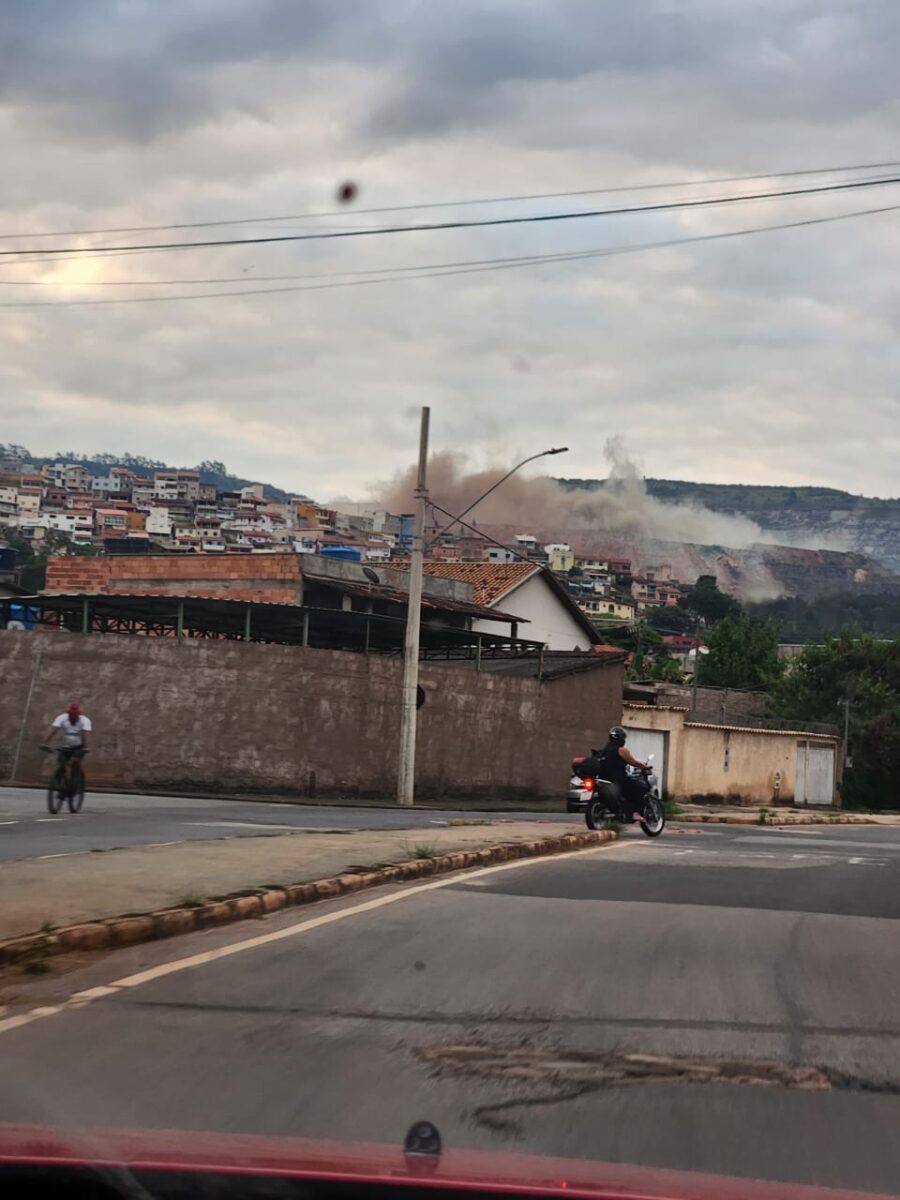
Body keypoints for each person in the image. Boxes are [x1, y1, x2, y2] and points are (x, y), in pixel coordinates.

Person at [593, 725, 649, 822]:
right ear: (621, 738)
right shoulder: (621, 750)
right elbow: (634, 762)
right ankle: (635, 813)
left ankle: (622, 810)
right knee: (641, 789)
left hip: (603, 778)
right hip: (618, 780)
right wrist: (645, 767)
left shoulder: (604, 751)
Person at [41, 701, 92, 789]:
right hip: (65, 746)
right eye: (71, 714)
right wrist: (44, 743)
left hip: (78, 746)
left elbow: (86, 733)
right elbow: (53, 731)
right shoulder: (62, 718)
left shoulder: (85, 720)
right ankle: (60, 782)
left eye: (75, 715)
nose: (73, 717)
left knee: (74, 761)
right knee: (62, 763)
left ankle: (76, 780)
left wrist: (87, 747)